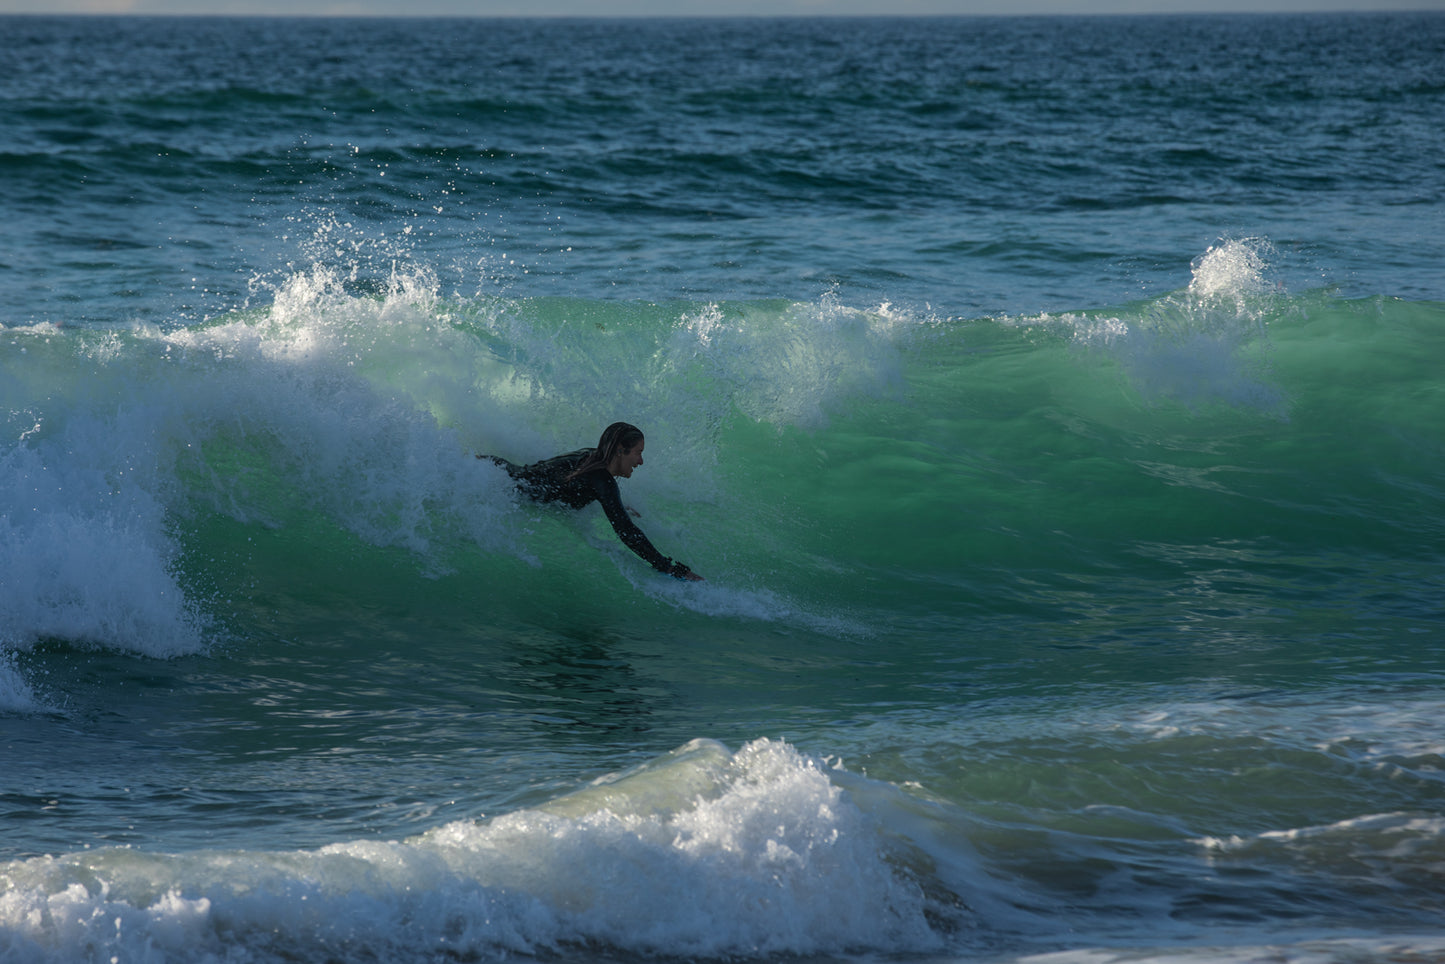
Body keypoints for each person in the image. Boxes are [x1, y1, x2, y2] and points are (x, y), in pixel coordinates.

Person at [480, 422, 704, 581]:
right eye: (638, 453)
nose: (641, 461)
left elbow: (574, 482)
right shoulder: (601, 481)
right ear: (619, 451)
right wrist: (669, 568)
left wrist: (616, 502)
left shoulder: (592, 459)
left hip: (496, 470)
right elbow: (626, 532)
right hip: (495, 480)